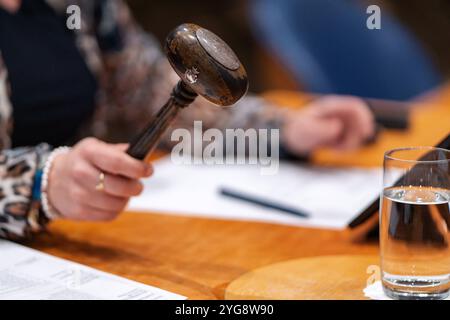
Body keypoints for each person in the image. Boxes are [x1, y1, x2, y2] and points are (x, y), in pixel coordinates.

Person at [0, 0, 375, 240]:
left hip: (75, 243)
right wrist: (39, 182)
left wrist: (284, 129)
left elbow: (149, 90)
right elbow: (44, 180)